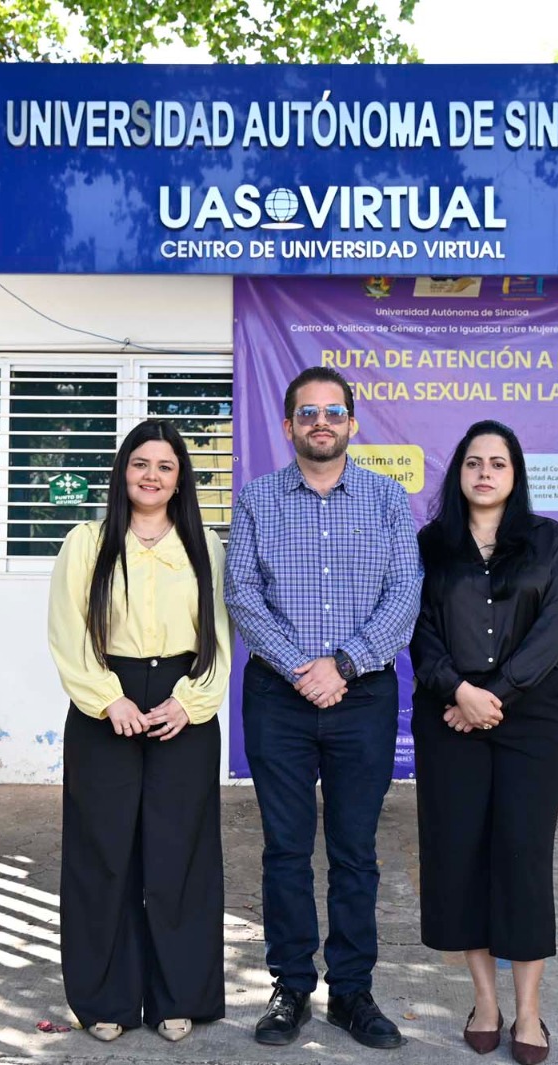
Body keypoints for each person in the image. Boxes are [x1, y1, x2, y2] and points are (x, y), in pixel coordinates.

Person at [225, 366, 422, 1050]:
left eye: (333, 412)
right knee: (284, 849)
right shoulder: (257, 499)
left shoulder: (387, 498)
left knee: (354, 851)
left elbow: (405, 592)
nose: (321, 422)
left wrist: (342, 664)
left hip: (362, 695)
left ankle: (352, 992)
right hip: (278, 699)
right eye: (307, 412)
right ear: (288, 426)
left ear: (351, 424)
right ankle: (290, 987)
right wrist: (302, 670)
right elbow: (242, 593)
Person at [47, 419, 231, 1044]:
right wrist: (107, 700)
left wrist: (191, 702)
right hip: (107, 703)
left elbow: (220, 635)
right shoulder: (87, 543)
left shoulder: (204, 546)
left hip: (182, 704)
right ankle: (106, 998)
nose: (152, 476)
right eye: (140, 464)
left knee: (181, 852)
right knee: (104, 853)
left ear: (181, 479)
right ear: (123, 471)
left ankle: (180, 995)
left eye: (165, 466)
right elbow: (68, 630)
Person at [408, 421, 558, 1065]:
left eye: (498, 463)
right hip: (448, 719)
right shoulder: (431, 545)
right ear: (458, 473)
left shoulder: (546, 539)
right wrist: (458, 692)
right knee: (460, 858)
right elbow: (417, 628)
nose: (485, 473)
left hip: (531, 719)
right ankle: (484, 1002)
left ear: (515, 474)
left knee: (522, 857)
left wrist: (490, 696)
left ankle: (529, 1011)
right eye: (474, 462)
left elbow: (552, 630)